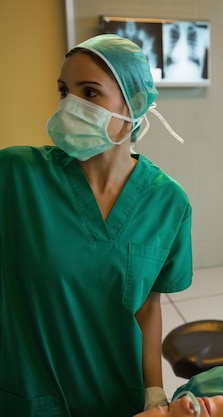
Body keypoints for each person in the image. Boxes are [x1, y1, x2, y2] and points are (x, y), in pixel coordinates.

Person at [0, 34, 192, 416]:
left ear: (136, 104)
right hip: (31, 395)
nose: (70, 104)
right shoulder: (17, 176)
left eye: (89, 93)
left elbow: (148, 303)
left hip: (118, 395)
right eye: (63, 91)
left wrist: (153, 389)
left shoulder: (168, 201)